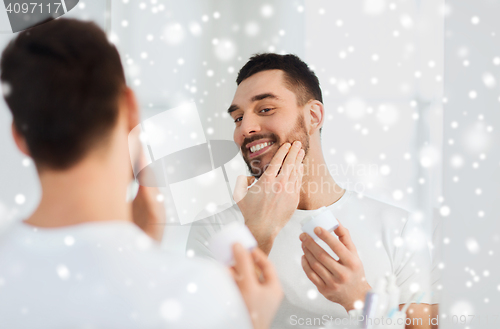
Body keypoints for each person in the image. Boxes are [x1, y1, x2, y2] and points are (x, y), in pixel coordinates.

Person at [0, 19, 284, 329]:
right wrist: (252, 321)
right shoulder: (202, 296)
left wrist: (135, 251)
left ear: (19, 137)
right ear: (131, 107)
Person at [187, 53, 438, 328]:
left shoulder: (398, 228)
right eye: (237, 118)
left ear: (313, 116)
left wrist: (359, 299)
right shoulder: (212, 229)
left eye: (265, 109)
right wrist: (257, 233)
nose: (245, 128)